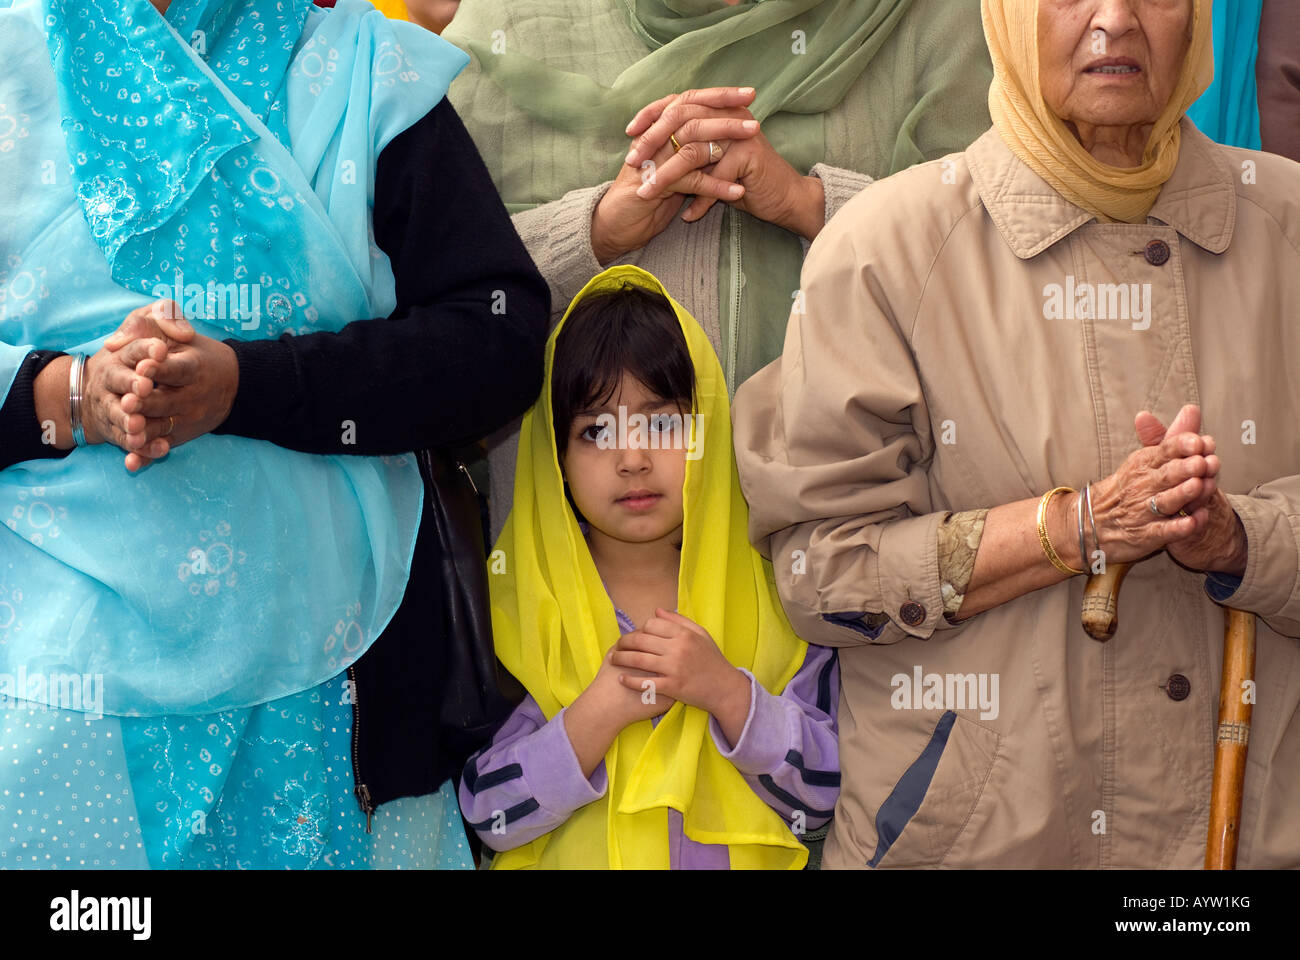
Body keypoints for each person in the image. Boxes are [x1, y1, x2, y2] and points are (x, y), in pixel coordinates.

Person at [732, 0, 1300, 868]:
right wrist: (1069, 531)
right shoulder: (886, 249)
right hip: (983, 841)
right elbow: (819, 569)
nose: (1115, 21)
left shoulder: (1286, 226)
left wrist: (1238, 539)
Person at [0, 0, 547, 867]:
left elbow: (497, 337)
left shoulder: (365, 76)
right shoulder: (11, 62)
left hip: (342, 698)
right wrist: (70, 395)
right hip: (55, 712)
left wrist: (248, 387)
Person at [438, 0, 997, 545]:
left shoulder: (938, 22)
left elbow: (997, 295)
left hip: (855, 569)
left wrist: (806, 203)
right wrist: (595, 229)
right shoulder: (501, 30)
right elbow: (432, 304)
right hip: (582, 597)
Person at [458, 267, 838, 868]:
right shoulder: (523, 604)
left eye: (662, 424)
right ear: (553, 453)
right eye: (595, 431)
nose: (632, 458)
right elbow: (486, 816)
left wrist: (725, 691)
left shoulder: (779, 593)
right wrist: (600, 709)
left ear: (707, 433)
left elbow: (820, 796)